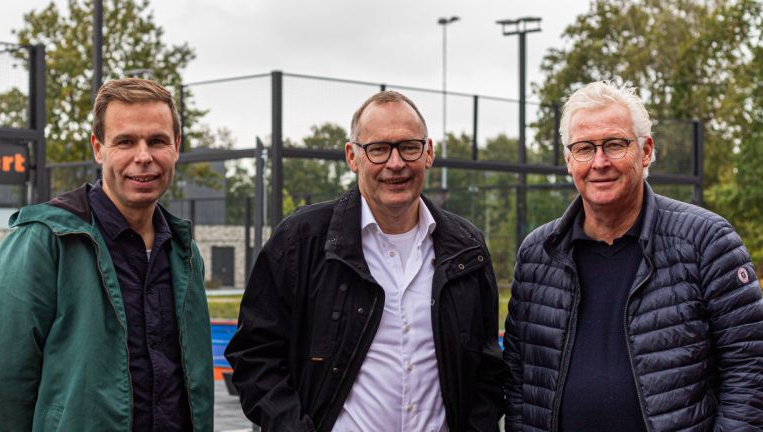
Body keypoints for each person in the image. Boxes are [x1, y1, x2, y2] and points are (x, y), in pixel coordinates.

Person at [225, 90, 505, 431]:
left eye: (409, 146)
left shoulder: (467, 247)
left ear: (428, 152)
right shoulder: (301, 241)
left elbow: (487, 369)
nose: (396, 163)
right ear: (352, 156)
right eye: (378, 149)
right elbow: (255, 357)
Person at [502, 80, 763, 431]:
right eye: (584, 148)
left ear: (645, 151)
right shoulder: (538, 255)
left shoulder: (707, 241)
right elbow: (520, 380)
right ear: (568, 160)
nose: (600, 162)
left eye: (614, 144)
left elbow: (750, 368)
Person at [0, 78, 213, 431]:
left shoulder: (183, 251)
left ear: (176, 146)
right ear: (99, 148)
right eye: (125, 141)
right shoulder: (44, 240)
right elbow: (4, 380)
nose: (143, 157)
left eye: (157, 140)